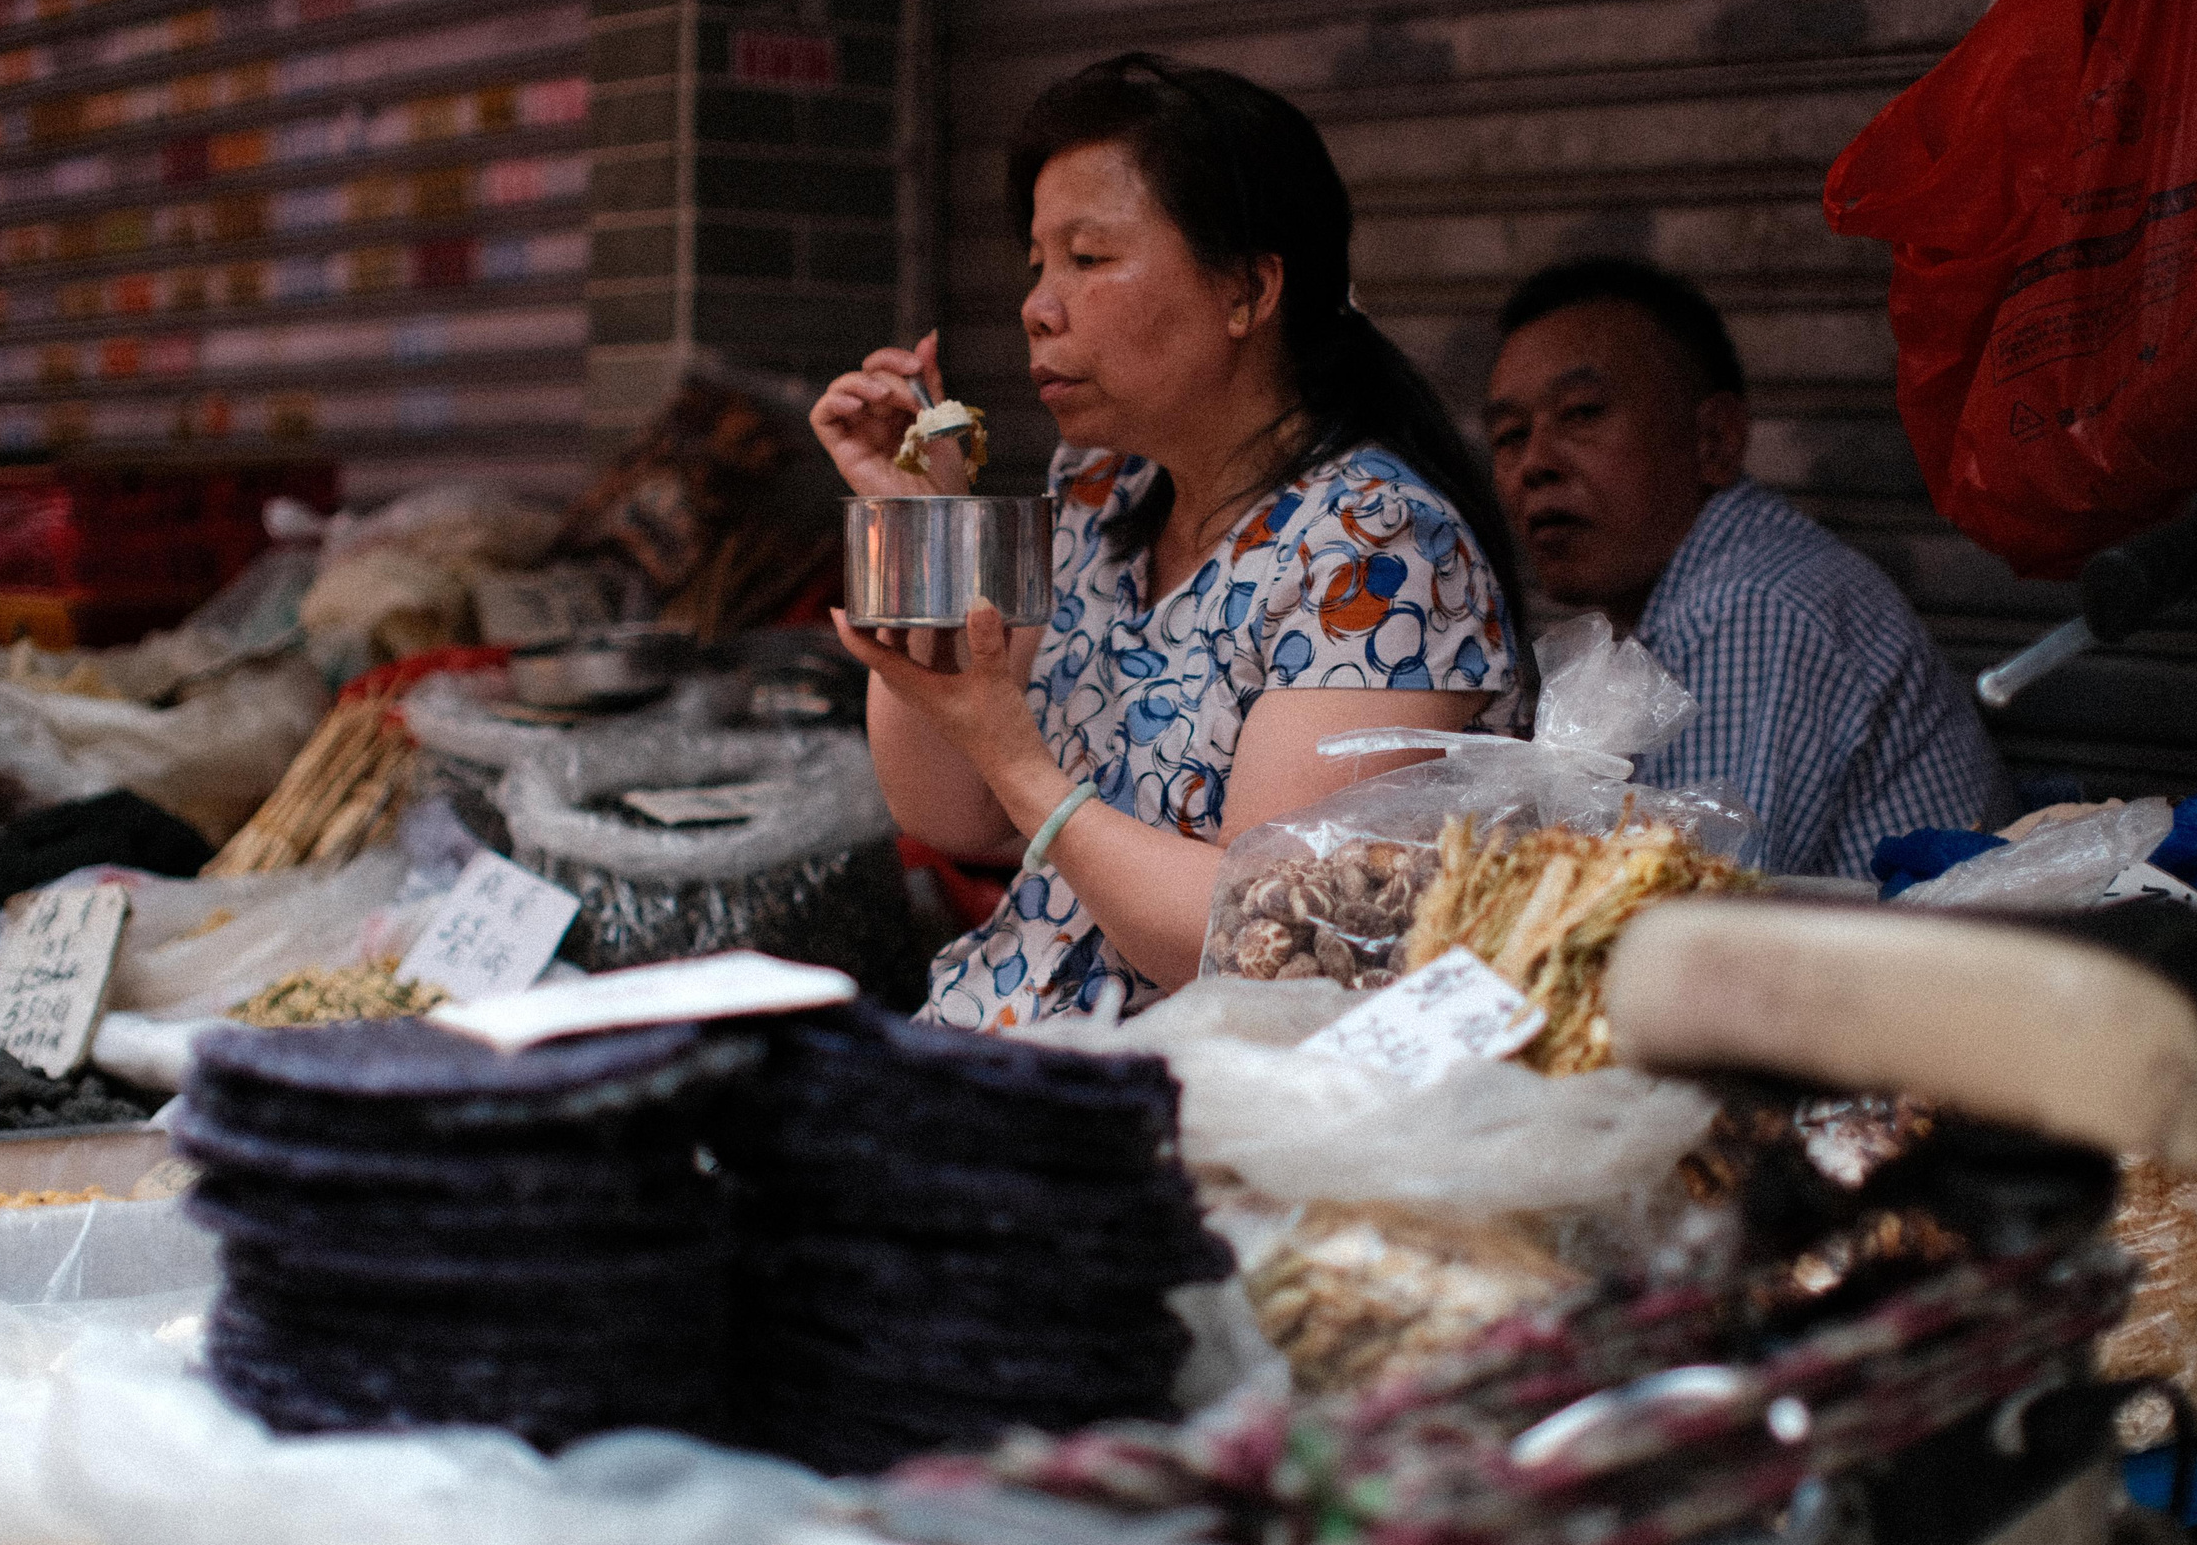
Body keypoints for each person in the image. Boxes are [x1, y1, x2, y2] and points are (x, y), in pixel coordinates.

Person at [813, 54, 1523, 1030]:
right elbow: (948, 810)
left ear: (1247, 289)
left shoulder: (1379, 554)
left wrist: (1016, 758)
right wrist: (924, 519)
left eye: (1088, 258)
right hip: (1010, 1052)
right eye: (1037, 263)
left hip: (1190, 1110)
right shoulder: (1103, 495)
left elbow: (1264, 945)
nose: (1037, 305)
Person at [1482, 257, 2013, 880]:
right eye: (1510, 435)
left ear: (1714, 440)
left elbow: (1690, 921)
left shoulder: (1750, 605)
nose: (1535, 463)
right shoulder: (1696, 599)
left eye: (1582, 413)